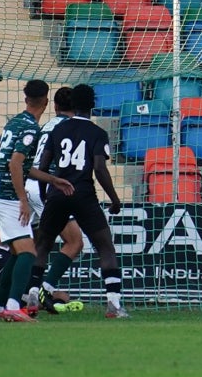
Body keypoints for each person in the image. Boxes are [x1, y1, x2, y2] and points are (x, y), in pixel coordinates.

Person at [34, 83, 130, 319]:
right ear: (92, 105)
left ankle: (33, 296)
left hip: (57, 194)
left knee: (42, 245)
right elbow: (99, 168)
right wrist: (115, 199)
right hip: (84, 195)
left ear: (72, 105)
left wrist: (47, 191)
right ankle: (114, 305)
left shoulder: (57, 131)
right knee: (105, 247)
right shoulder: (97, 133)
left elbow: (43, 166)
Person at [0, 80, 73, 323]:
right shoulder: (32, 129)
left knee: (16, 252)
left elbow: (22, 166)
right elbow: (14, 164)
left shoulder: (15, 122)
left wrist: (52, 179)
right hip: (7, 196)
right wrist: (23, 200)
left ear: (25, 99)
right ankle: (13, 306)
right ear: (46, 101)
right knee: (29, 252)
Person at [25, 86, 85, 314]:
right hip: (47, 185)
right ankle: (44, 290)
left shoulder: (47, 125)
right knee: (75, 242)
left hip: (30, 182)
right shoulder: (73, 128)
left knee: (40, 243)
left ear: (56, 106)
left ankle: (27, 295)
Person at [0, 211, 81, 314]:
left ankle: (52, 305)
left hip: (15, 287)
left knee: (62, 295)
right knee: (15, 266)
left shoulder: (17, 247)